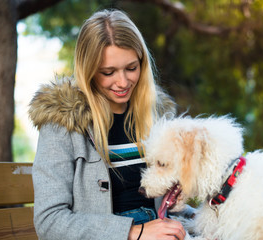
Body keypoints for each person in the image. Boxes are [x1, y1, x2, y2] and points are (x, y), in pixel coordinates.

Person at [29, 9, 187, 240]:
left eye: (131, 68)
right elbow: (49, 220)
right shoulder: (62, 122)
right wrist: (133, 232)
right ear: (89, 70)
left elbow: (170, 202)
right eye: (108, 72)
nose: (123, 82)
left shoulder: (157, 117)